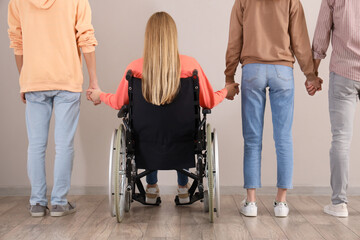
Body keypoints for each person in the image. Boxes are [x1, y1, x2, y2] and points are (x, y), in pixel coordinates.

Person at [88, 12, 239, 204]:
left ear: (148, 37)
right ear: (173, 36)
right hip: (183, 138)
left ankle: (151, 188)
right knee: (178, 126)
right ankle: (184, 189)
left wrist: (99, 95)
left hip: (145, 140)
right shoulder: (191, 66)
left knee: (151, 127)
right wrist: (226, 91)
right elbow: (208, 102)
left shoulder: (134, 68)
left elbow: (119, 103)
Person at [225, 0, 323, 217]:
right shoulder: (291, 1)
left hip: (252, 70)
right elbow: (300, 40)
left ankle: (251, 202)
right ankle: (281, 203)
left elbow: (234, 40)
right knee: (284, 138)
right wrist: (310, 75)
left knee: (252, 139)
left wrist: (229, 77)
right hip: (283, 71)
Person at [8, 0, 99, 217]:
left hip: (34, 80)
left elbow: (17, 41)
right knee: (64, 144)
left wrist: (24, 80)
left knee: (36, 145)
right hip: (67, 79)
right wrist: (93, 80)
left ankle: (37, 203)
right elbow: (85, 37)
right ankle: (59, 202)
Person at [311, 0, 360, 218]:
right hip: (344, 73)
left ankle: (339, 204)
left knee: (341, 138)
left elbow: (322, 32)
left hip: (343, 72)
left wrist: (313, 74)